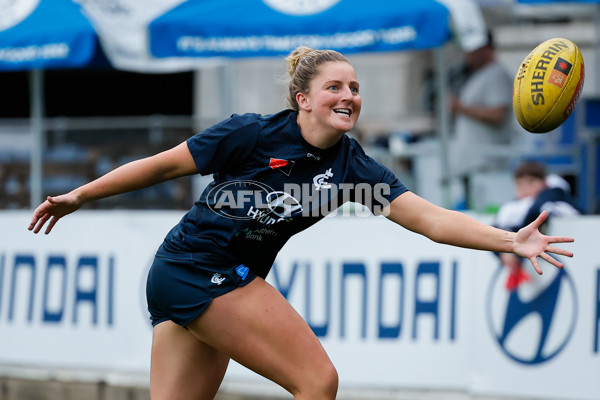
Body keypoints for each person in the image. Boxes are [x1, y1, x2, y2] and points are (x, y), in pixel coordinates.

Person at [29, 47, 574, 400]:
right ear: (303, 100)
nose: (349, 96)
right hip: (195, 271)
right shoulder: (251, 134)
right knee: (318, 381)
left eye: (355, 88)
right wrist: (81, 194)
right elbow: (163, 164)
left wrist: (509, 239)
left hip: (199, 278)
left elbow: (428, 219)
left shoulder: (351, 168)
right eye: (335, 87)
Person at [450, 30, 515, 208]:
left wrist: (460, 108)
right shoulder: (480, 74)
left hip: (488, 166)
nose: (467, 55)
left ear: (486, 49)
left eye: (472, 50)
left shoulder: (498, 74)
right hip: (475, 165)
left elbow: (499, 114)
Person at [494, 161, 580, 290]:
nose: (524, 189)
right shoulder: (510, 208)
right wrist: (503, 253)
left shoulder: (554, 197)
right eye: (519, 184)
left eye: (531, 182)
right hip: (523, 262)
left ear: (543, 183)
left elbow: (538, 212)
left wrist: (514, 249)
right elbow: (495, 228)